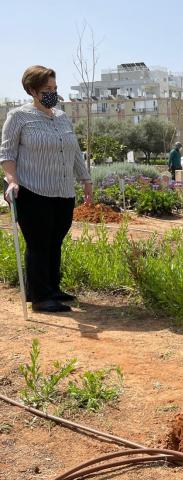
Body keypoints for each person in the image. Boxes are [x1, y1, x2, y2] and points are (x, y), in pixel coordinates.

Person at [0, 65, 93, 313]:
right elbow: (7, 154)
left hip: (63, 191)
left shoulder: (62, 117)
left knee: (55, 241)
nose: (52, 93)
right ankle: (41, 298)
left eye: (54, 88)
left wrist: (86, 179)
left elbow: (73, 151)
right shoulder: (18, 117)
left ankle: (51, 288)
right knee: (39, 243)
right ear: (32, 90)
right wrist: (11, 180)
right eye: (46, 89)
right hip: (32, 190)